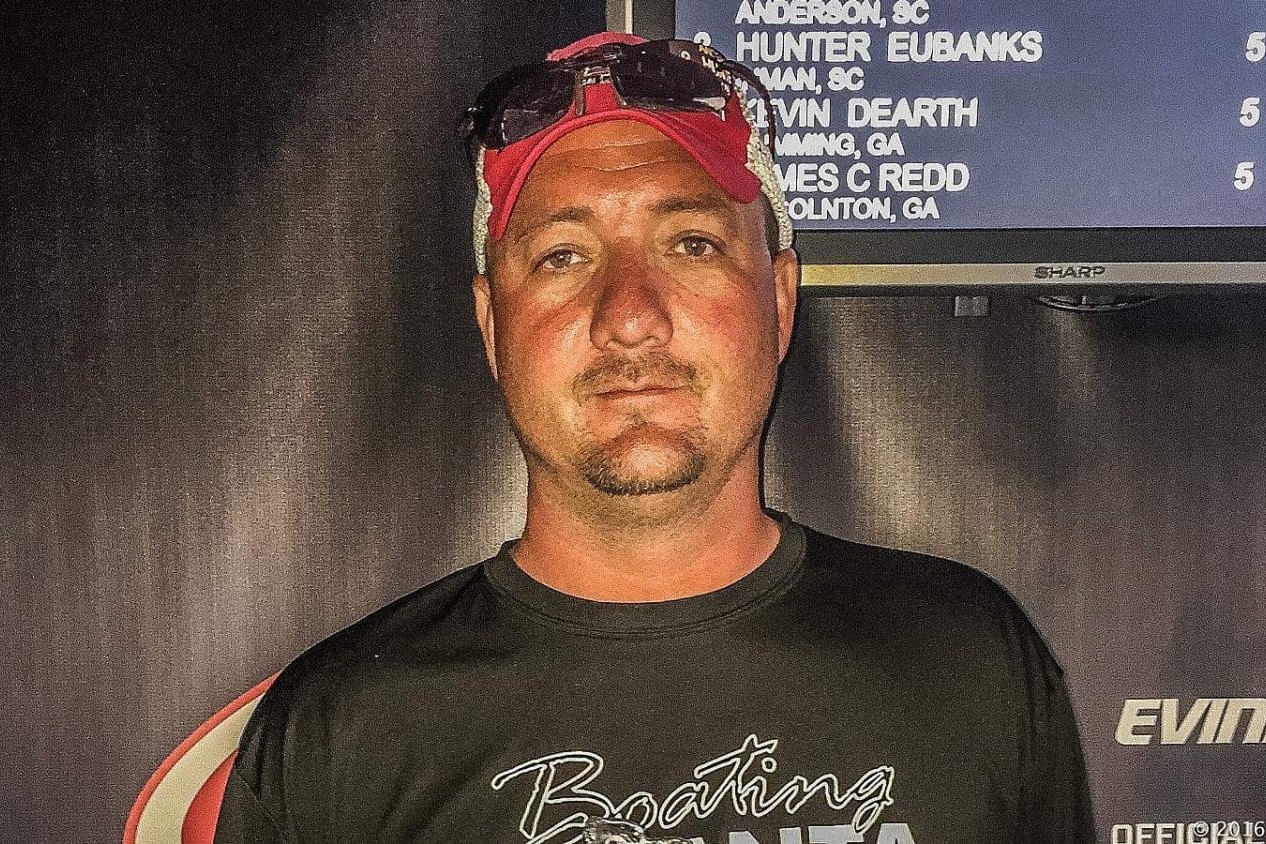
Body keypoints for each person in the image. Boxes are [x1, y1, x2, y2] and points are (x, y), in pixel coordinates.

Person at [214, 31, 1095, 844]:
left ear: (779, 303)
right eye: (562, 256)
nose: (630, 316)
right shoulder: (340, 733)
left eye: (691, 245)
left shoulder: (969, 664)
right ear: (491, 327)